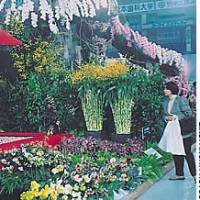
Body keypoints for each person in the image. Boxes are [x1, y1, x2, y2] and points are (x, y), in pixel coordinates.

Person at [162, 81, 196, 181]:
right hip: (172, 132)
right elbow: (164, 115)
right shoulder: (165, 102)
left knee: (187, 153)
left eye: (166, 88)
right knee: (175, 152)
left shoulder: (181, 100)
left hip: (183, 132)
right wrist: (167, 118)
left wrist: (176, 117)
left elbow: (188, 113)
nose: (164, 90)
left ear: (171, 90)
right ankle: (179, 174)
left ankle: (195, 175)